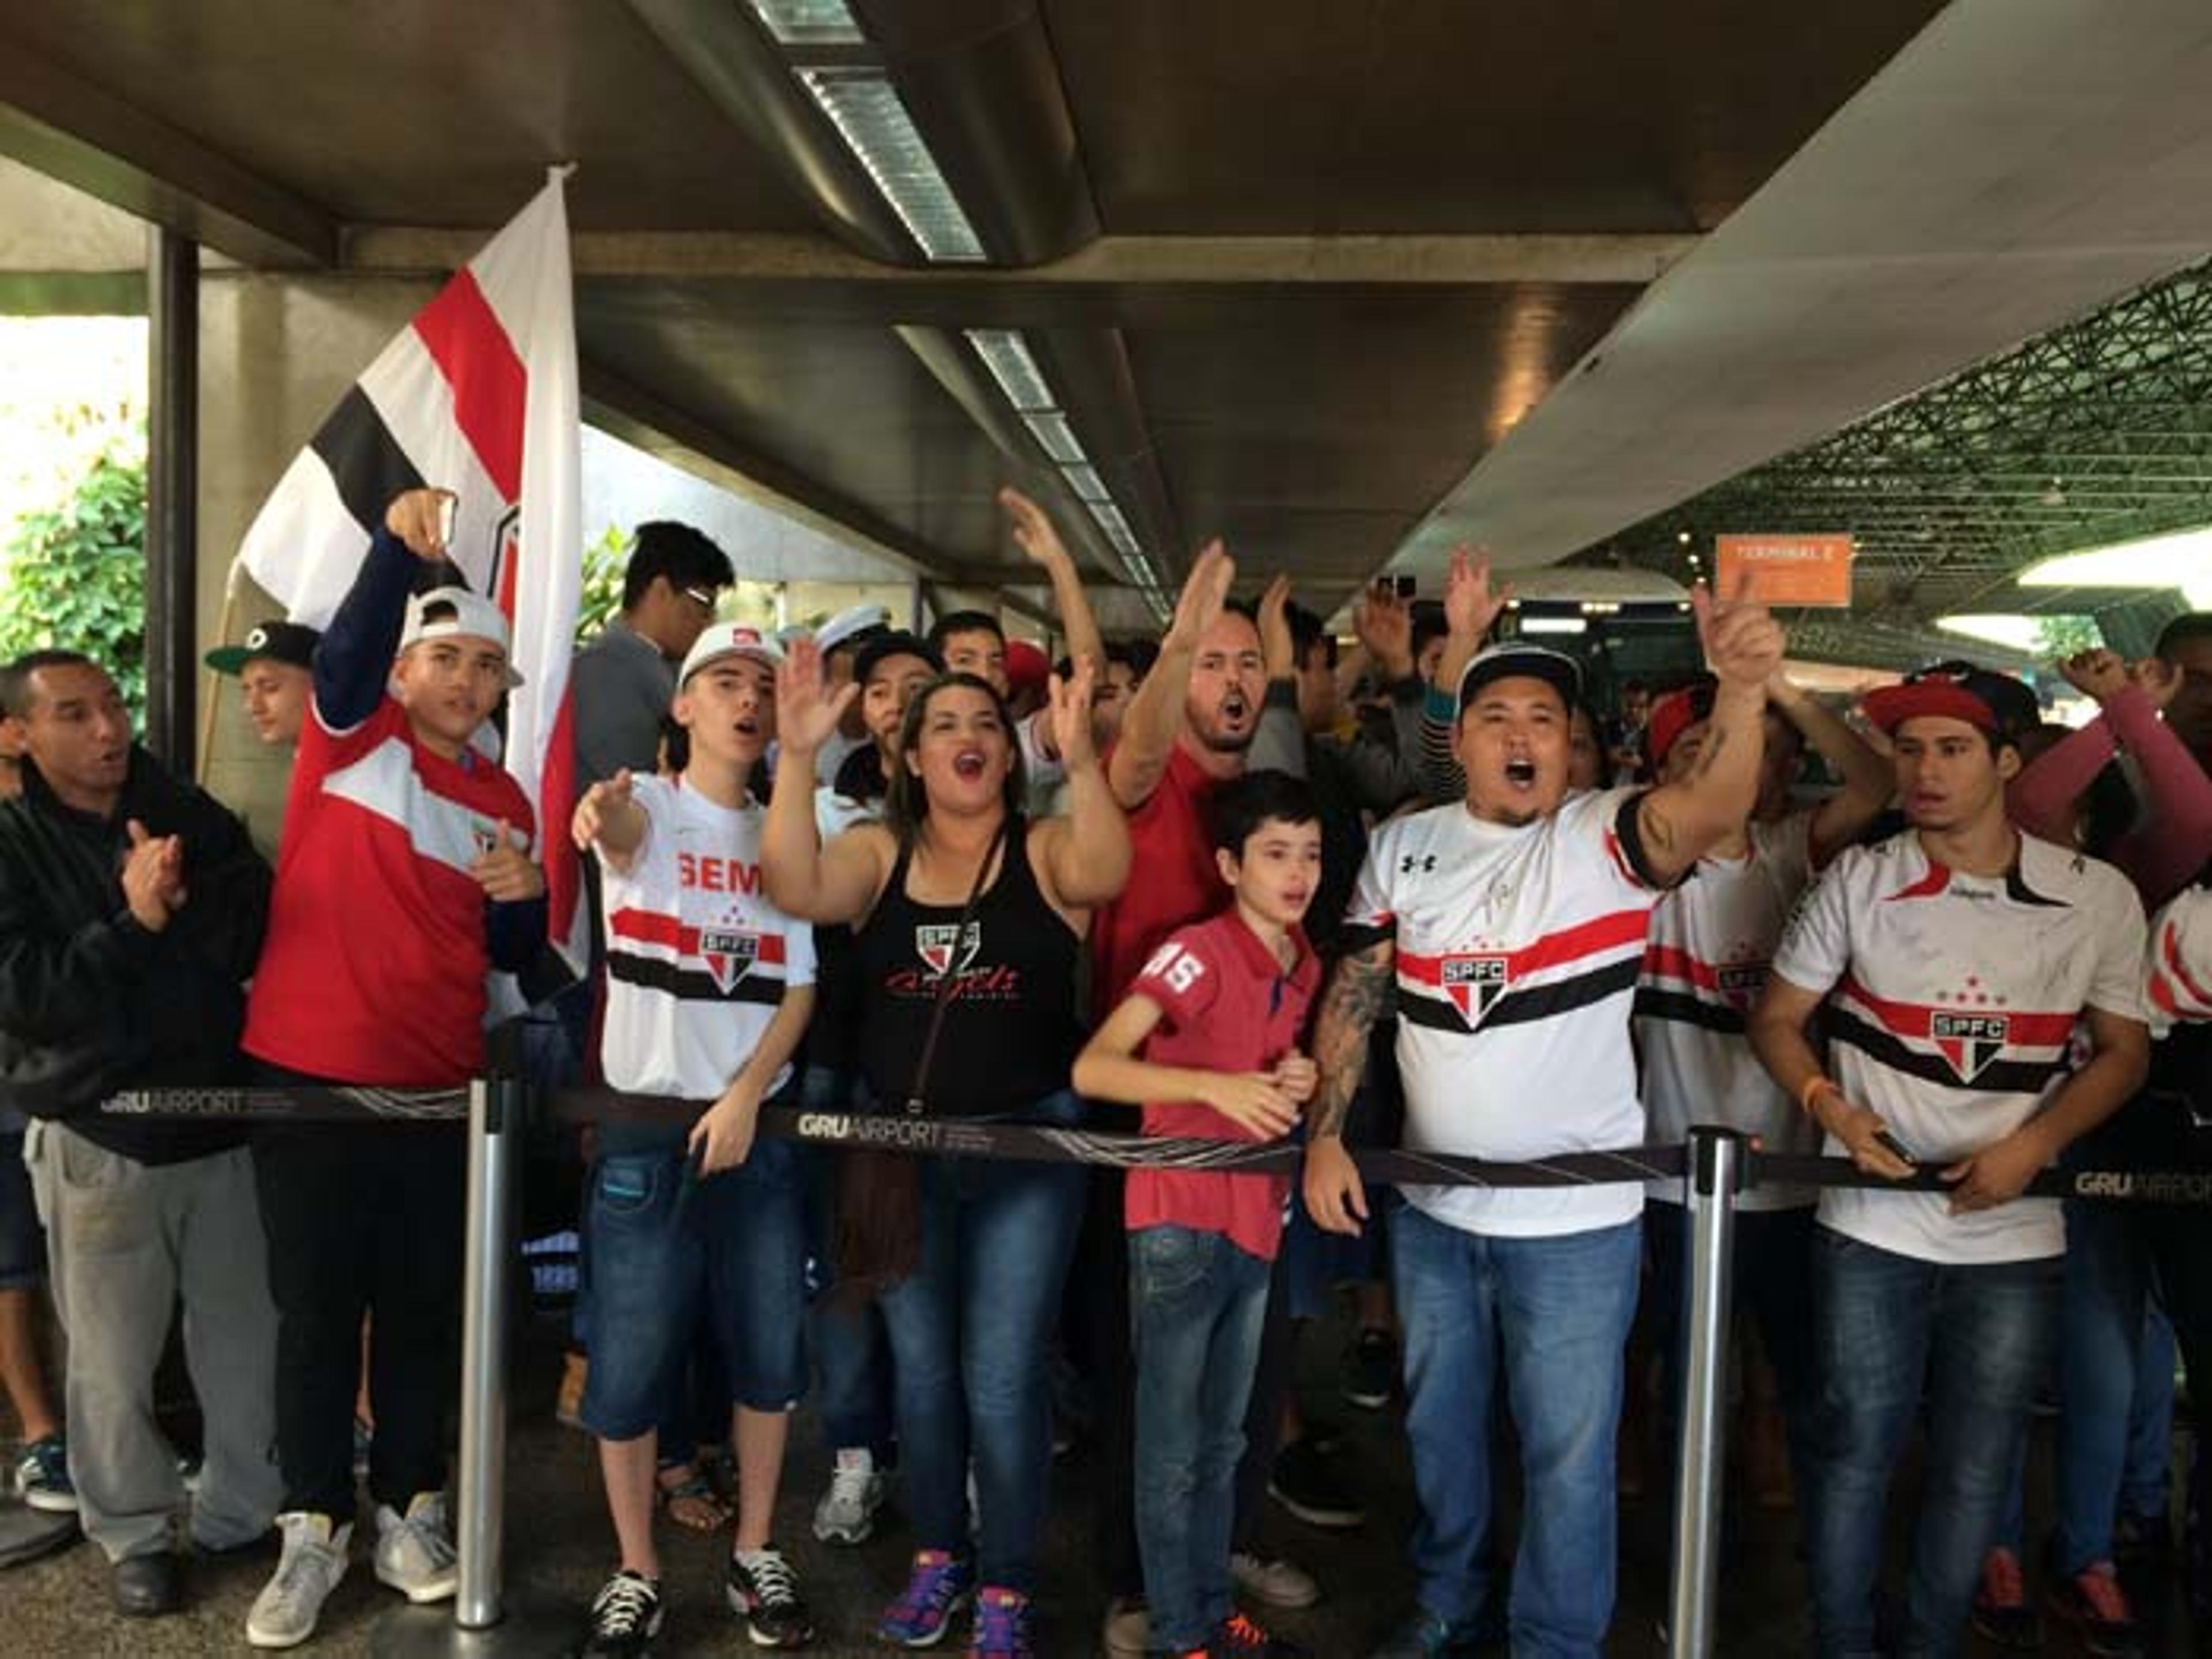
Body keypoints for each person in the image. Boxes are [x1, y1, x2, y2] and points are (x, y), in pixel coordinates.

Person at [1304, 580, 1789, 1659]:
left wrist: (1746, 695)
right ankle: (1448, 1600)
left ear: (1573, 749)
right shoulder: (1405, 849)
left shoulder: (1604, 838)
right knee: (1440, 1432)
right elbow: (1357, 996)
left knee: (1570, 1453)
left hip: (1577, 1225)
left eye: (1545, 723)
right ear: (1461, 744)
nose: (1522, 738)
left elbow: (1707, 810)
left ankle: (1555, 1640)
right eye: (1496, 719)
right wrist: (1327, 1132)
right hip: (1433, 1209)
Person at [1748, 663, 2152, 1659]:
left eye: (1953, 748)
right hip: (1868, 1227)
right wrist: (1830, 1108)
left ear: (2008, 763)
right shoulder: (1860, 878)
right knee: (1854, 1455)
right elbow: (1780, 1019)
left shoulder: (2096, 897)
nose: (1924, 771)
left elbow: (2126, 1052)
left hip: (2014, 1234)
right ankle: (1844, 1644)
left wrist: (2034, 1145)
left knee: (1979, 1466)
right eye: (1910, 749)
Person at [762, 641, 1129, 1659]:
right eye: (943, 727)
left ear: (1008, 758)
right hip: (899, 1152)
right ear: (911, 759)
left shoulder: (1048, 849)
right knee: (923, 1374)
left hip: (1027, 1153)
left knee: (1003, 1375)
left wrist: (1087, 758)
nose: (967, 739)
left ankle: (1006, 1581)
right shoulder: (881, 856)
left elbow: (1110, 869)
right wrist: (795, 759)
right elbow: (793, 886)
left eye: (983, 726)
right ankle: (938, 1557)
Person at [240, 488, 547, 1650]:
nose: (466, 682)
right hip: (308, 1082)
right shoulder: (350, 732)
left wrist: (526, 902)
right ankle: (310, 1524)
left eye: (485, 667)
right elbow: (352, 650)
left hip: (436, 1093)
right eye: (447, 659)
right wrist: (392, 548)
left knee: (423, 1315)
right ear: (406, 673)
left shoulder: (505, 797)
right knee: (315, 1317)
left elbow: (510, 954)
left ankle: (408, 1511)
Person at [0, 650, 281, 1615]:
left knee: (245, 1341)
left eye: (111, 706)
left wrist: (175, 908)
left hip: (224, 1122)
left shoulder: (178, 805)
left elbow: (254, 906)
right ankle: (132, 1531)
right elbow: (30, 998)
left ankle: (245, 1511)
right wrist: (132, 921)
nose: (107, 730)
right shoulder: (12, 842)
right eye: (73, 715)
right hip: (101, 1136)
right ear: (18, 735)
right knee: (111, 1363)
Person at [568, 622, 819, 1653]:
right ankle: (637, 1567)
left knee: (769, 1354)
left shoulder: (785, 831)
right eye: (723, 681)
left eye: (762, 684)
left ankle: (757, 1551)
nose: (747, 700)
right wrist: (604, 807)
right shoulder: (653, 812)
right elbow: (614, 830)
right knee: (627, 1364)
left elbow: (800, 985)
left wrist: (751, 1093)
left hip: (753, 1129)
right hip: (644, 1130)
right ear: (683, 705)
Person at [1632, 669, 1892, 1537]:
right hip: (1669, 1170)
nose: (1730, 767)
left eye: (1757, 753)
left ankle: (1782, 1483)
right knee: (1671, 1360)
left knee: (1793, 1359)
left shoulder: (1791, 854)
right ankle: (1680, 1528)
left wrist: (1787, 695)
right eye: (1697, 752)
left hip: (1790, 1168)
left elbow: (1876, 784)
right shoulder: (1637, 877)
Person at [1074, 769, 1325, 1659]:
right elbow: (1097, 1068)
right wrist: (1212, 1088)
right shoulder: (1197, 949)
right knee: (1173, 1448)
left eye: (1311, 854)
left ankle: (1212, 1616)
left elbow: (1269, 1069)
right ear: (1229, 864)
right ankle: (1184, 1630)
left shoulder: (1303, 961)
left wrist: (1295, 1077)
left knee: (1222, 1446)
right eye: (1275, 854)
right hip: (1179, 1217)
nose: (1297, 873)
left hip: (1258, 1220)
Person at [802, 626, 941, 1551]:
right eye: (881, 688)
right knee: (850, 1274)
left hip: (951, 1077)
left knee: (937, 1285)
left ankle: (944, 1469)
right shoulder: (823, 804)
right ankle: (856, 1454)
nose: (896, 702)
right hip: (842, 1059)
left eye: (917, 686)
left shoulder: (982, 811)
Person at [925, 487, 1107, 803]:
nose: (985, 671)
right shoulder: (904, 746)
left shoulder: (1017, 748)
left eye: (996, 661)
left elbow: (1089, 681)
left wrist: (1060, 566)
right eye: (966, 660)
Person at [572, 520, 734, 789]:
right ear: (660, 591)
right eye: (704, 604)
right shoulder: (603, 670)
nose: (709, 622)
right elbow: (632, 787)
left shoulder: (662, 667)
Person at [810, 603, 894, 787]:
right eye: (855, 683)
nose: (862, 694)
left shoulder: (895, 734)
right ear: (824, 679)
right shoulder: (805, 738)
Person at [206, 619, 321, 750]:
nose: (252, 707)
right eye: (247, 690)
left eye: (269, 687)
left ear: (319, 682)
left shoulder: (344, 768)